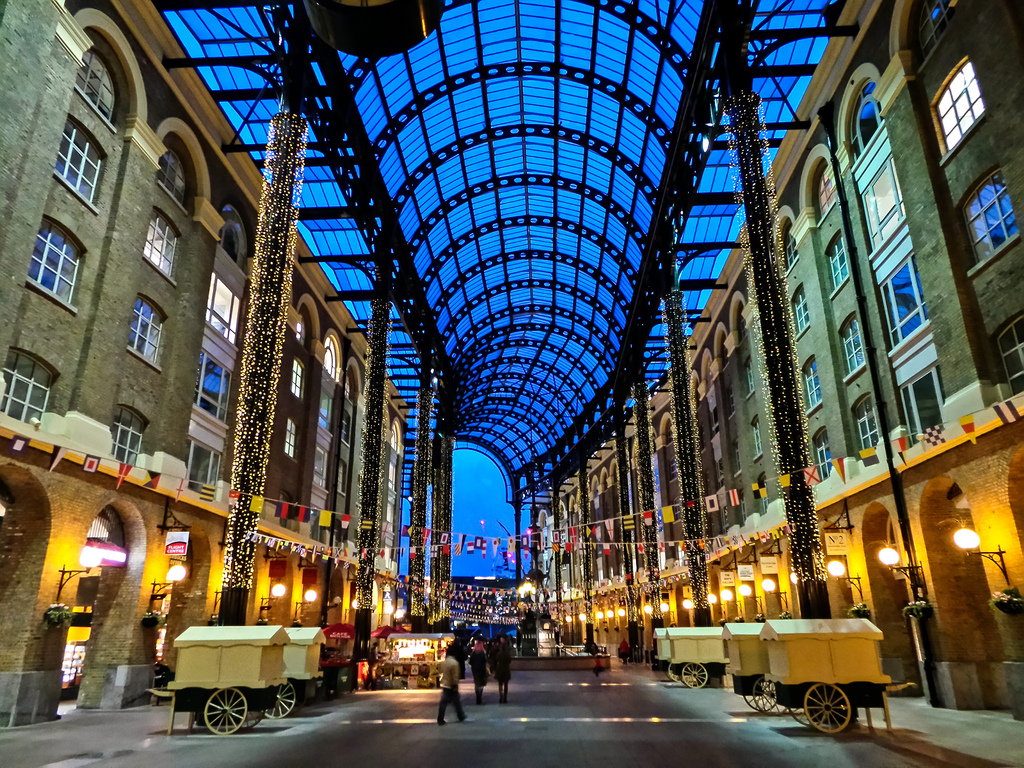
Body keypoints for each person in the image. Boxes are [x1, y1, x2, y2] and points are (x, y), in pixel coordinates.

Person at [437, 644, 468, 725]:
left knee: (445, 702)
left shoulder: (443, 662)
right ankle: (460, 716)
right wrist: (455, 684)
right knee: (455, 701)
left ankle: (441, 717)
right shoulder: (455, 663)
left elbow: (440, 672)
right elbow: (455, 675)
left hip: (444, 683)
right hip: (451, 685)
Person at [469, 640, 489, 704]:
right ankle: (480, 697)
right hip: (482, 670)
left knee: (476, 683)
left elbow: (470, 662)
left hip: (475, 670)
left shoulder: (473, 653)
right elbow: (485, 662)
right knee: (481, 684)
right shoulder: (483, 653)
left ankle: (477, 698)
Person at [494, 636, 512, 703]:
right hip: (506, 669)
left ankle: (500, 696)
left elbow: (496, 660)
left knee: (500, 684)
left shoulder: (499, 654)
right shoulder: (507, 654)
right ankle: (505, 697)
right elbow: (509, 661)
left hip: (499, 669)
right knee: (506, 684)